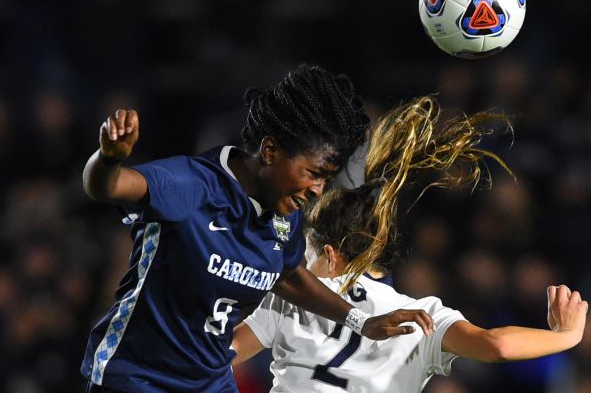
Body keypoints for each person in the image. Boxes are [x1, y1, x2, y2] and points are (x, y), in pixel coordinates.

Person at [79, 64, 434, 393]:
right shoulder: (192, 186)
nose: (317, 191)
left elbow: (289, 275)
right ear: (269, 151)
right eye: (313, 173)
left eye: (325, 179)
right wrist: (108, 158)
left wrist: (360, 321)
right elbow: (104, 186)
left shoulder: (284, 211)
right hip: (137, 378)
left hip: (210, 382)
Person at [231, 96, 589, 392]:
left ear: (330, 254)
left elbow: (219, 355)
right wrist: (566, 336)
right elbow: (498, 345)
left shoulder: (293, 299)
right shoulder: (423, 316)